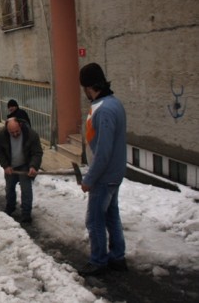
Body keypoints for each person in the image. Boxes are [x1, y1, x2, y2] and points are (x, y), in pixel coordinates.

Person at [78, 62, 127, 277]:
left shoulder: (105, 110)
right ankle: (117, 257)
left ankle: (99, 261)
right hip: (113, 174)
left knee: (95, 219)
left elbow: (104, 152)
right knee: (111, 216)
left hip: (104, 177)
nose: (84, 92)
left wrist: (90, 178)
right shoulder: (111, 103)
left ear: (90, 87)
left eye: (84, 88)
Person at [0, 118, 43, 223]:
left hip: (25, 165)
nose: (15, 134)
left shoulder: (31, 135)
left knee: (26, 189)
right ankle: (10, 207)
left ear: (20, 125)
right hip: (10, 166)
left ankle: (26, 213)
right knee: (9, 188)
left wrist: (33, 166)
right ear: (7, 129)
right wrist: (5, 166)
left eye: (17, 131)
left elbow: (37, 152)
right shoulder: (1, 136)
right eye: (12, 132)